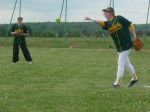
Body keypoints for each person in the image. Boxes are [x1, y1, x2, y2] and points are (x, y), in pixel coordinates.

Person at [85, 7, 138, 88]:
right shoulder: (108, 24)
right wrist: (91, 19)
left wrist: (134, 38)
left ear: (110, 13)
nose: (104, 14)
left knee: (120, 62)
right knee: (127, 64)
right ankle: (134, 78)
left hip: (126, 44)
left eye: (105, 12)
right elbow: (99, 21)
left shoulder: (119, 18)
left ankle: (117, 83)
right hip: (119, 47)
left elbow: (130, 25)